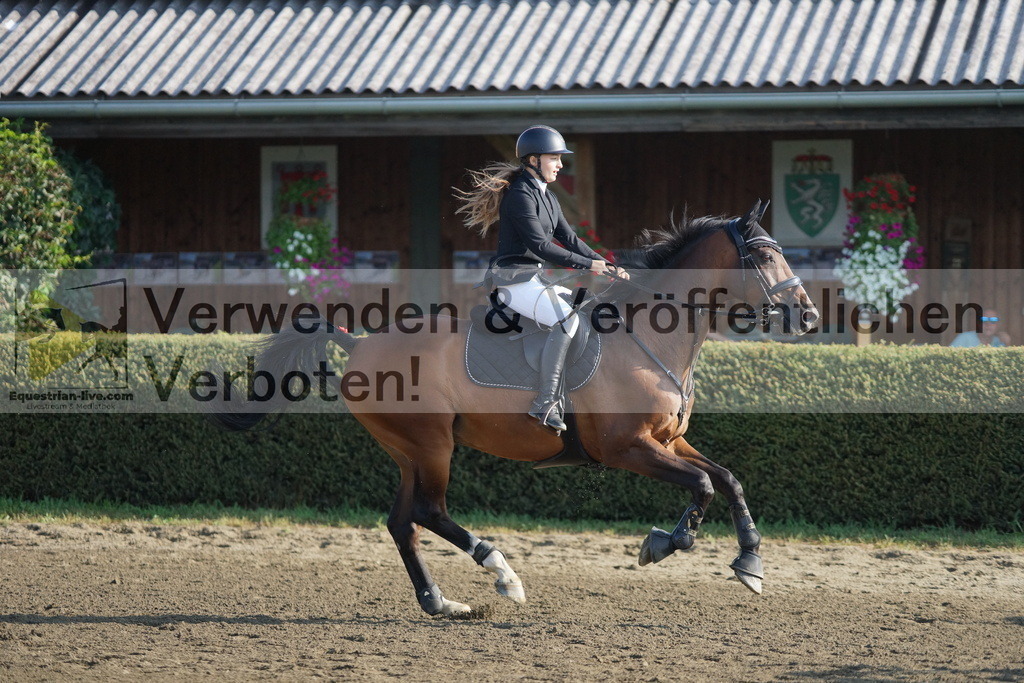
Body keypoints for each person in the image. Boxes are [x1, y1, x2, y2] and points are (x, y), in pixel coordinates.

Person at [455, 125, 627, 431]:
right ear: (534, 159)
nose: (561, 164)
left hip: (531, 280)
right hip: (512, 282)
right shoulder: (520, 195)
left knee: (581, 313)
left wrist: (606, 263)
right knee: (567, 320)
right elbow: (541, 246)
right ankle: (546, 403)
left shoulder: (546, 196)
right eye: (554, 158)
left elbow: (569, 238)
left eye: (560, 158)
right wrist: (588, 265)